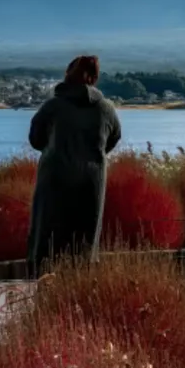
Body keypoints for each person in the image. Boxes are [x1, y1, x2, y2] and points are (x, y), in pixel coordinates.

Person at [26, 55, 122, 277]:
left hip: (55, 179)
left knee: (47, 239)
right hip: (92, 181)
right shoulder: (106, 109)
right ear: (95, 79)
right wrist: (93, 155)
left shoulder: (53, 106)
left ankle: (42, 290)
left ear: (68, 75)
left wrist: (56, 151)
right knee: (85, 244)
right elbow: (114, 137)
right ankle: (80, 290)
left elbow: (35, 139)